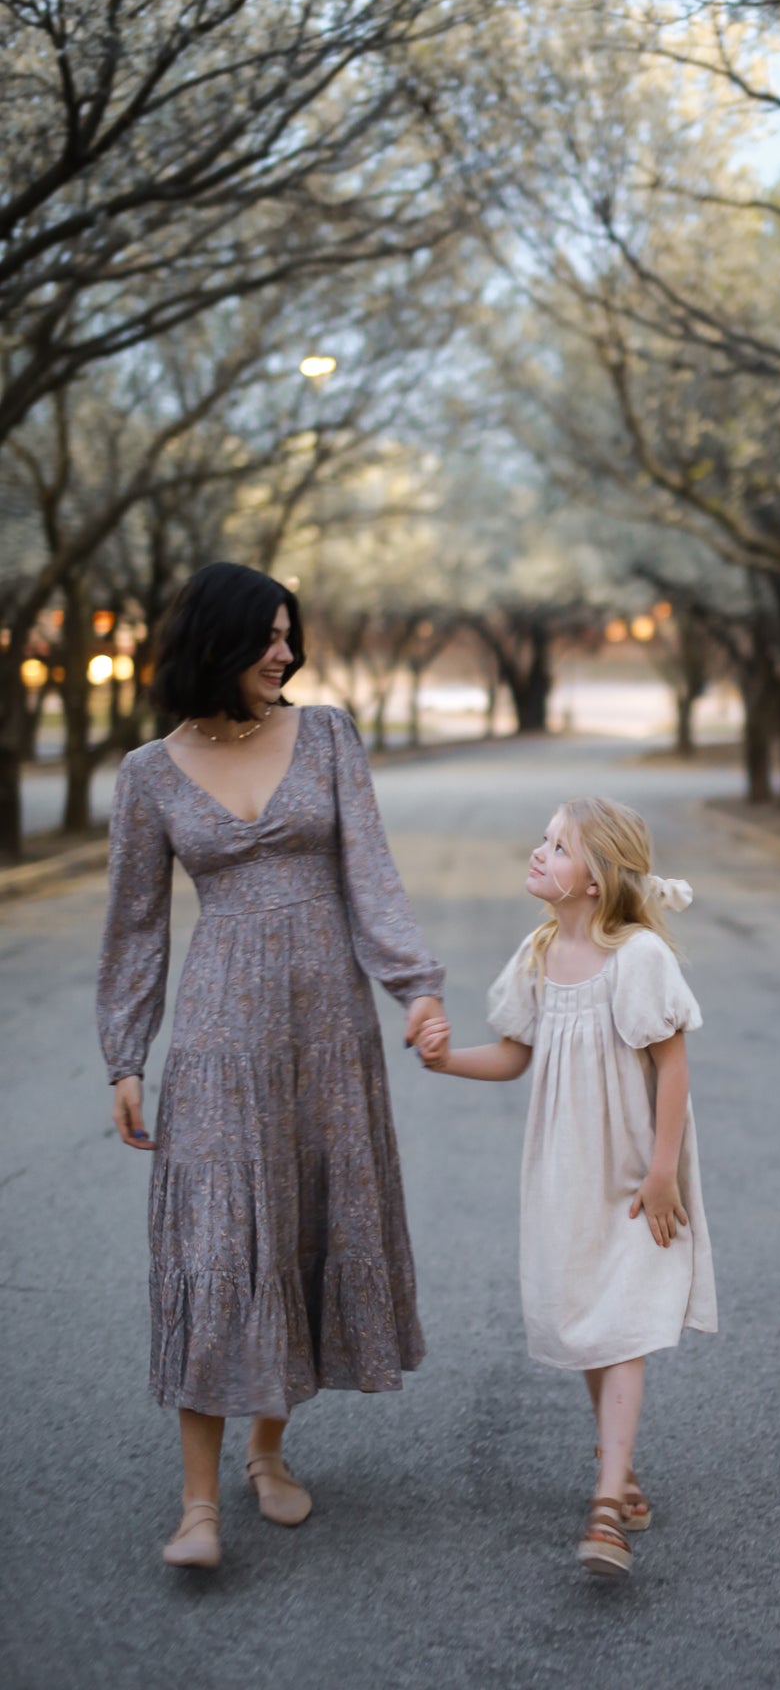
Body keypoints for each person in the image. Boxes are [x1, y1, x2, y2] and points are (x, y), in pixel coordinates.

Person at [96, 561, 445, 1570]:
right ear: (216, 642)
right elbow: (132, 927)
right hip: (216, 1033)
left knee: (295, 1227)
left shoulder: (327, 735)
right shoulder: (149, 775)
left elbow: (370, 876)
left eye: (292, 635)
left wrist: (414, 985)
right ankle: (197, 1505)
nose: (286, 653)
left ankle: (269, 1452)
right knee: (215, 1246)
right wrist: (126, 1052)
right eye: (268, 637)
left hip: (325, 1027)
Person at [417, 796, 716, 1579]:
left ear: (596, 879)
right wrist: (447, 1061)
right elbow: (516, 1055)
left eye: (559, 846)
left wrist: (661, 1173)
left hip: (634, 1166)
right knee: (588, 1314)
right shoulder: (539, 952)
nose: (539, 852)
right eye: (543, 840)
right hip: (565, 1169)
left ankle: (607, 1504)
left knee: (623, 1320)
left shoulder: (639, 958)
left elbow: (673, 1067)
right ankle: (621, 1470)